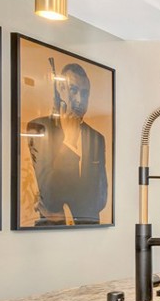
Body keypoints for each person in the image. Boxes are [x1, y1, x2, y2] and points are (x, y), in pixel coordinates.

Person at [21, 62, 107, 226]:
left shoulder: (97, 138)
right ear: (60, 90)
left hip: (89, 231)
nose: (80, 100)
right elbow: (51, 197)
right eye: (73, 90)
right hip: (51, 232)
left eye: (85, 93)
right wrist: (69, 142)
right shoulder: (38, 128)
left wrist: (67, 204)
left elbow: (101, 199)